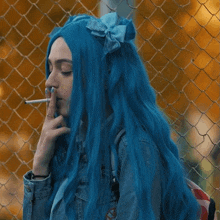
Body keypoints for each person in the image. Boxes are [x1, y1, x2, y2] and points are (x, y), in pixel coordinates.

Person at [23, 12, 201, 220]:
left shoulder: (133, 147)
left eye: (65, 70)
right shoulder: (66, 144)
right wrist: (40, 169)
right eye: (50, 68)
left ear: (99, 76)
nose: (49, 82)